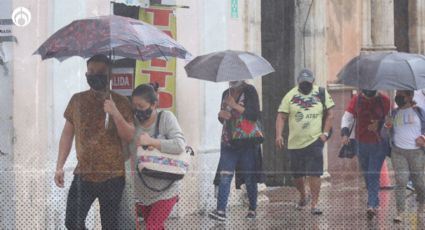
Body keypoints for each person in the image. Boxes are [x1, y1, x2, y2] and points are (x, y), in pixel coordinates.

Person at [54, 54, 135, 230]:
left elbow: (129, 136)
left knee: (110, 226)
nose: (94, 75)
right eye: (91, 71)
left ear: (110, 75)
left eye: (100, 72)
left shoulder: (121, 102)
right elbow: (67, 135)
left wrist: (115, 113)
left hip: (113, 176)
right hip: (84, 174)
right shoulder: (77, 100)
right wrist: (59, 165)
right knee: (72, 222)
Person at [275, 68, 334, 215]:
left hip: (315, 140)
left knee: (315, 173)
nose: (305, 85)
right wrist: (278, 135)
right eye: (303, 83)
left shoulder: (321, 93)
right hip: (295, 142)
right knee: (297, 175)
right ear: (298, 82)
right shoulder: (290, 95)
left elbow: (330, 115)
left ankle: (314, 204)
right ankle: (303, 195)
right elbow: (281, 116)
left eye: (308, 82)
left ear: (313, 81)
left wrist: (325, 134)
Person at [128, 83, 186, 230]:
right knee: (154, 226)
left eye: (141, 106)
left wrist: (153, 141)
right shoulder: (132, 122)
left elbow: (180, 144)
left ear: (154, 104)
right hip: (141, 189)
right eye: (134, 106)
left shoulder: (166, 118)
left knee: (152, 227)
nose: (137, 110)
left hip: (166, 190)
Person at [209, 80, 262, 221]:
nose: (232, 78)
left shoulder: (250, 91)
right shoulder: (225, 93)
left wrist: (234, 105)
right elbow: (223, 119)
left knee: (249, 177)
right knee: (225, 175)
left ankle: (252, 208)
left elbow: (254, 115)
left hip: (247, 141)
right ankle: (221, 210)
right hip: (228, 141)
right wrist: (221, 115)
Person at [340, 89, 390, 219]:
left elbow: (391, 120)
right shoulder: (357, 99)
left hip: (379, 144)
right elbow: (347, 117)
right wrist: (345, 134)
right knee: (367, 173)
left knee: (373, 173)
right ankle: (375, 199)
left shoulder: (384, 100)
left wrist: (379, 124)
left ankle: (371, 205)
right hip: (360, 142)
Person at [385, 90, 425, 223]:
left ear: (410, 96)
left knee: (419, 182)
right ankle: (400, 212)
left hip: (416, 152)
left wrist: (423, 138)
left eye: (402, 94)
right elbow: (384, 131)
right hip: (398, 152)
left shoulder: (419, 111)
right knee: (401, 182)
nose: (398, 97)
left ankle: (422, 203)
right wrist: (387, 125)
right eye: (397, 93)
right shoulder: (394, 113)